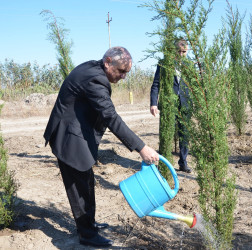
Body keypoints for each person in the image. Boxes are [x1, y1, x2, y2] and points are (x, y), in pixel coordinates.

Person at [43, 46, 159, 248]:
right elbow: (111, 117)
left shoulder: (95, 70)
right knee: (79, 189)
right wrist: (141, 147)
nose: (123, 77)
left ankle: (91, 224)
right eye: (121, 71)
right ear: (107, 62)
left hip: (77, 134)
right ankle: (86, 234)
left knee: (87, 181)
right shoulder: (94, 79)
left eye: (127, 73)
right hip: (68, 138)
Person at [150, 39, 191, 173]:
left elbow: (194, 85)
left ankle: (183, 163)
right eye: (178, 51)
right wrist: (153, 103)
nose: (180, 54)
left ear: (187, 51)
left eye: (183, 52)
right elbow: (156, 84)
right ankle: (164, 165)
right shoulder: (163, 64)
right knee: (166, 133)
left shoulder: (190, 65)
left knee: (184, 134)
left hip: (185, 104)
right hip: (169, 104)